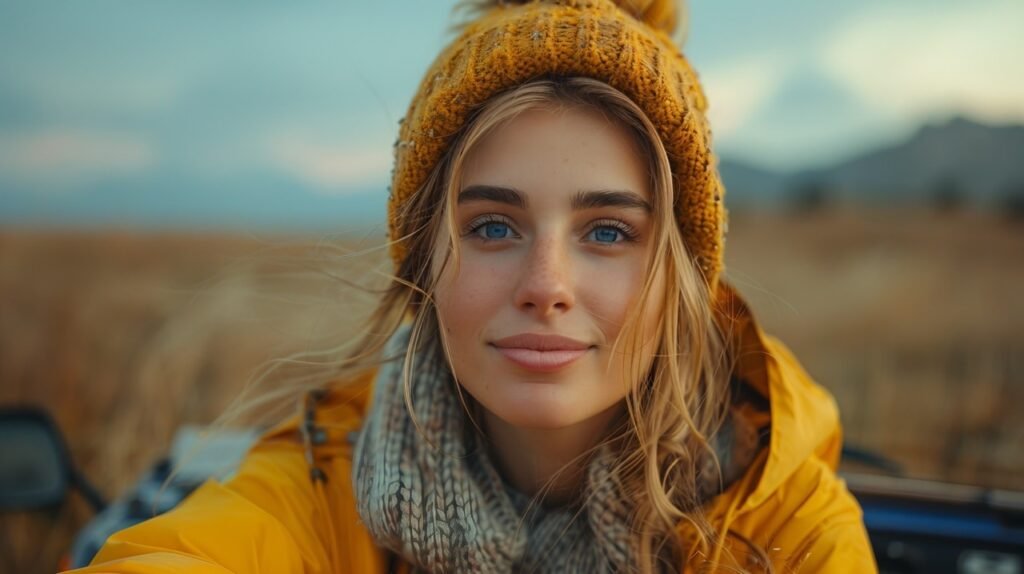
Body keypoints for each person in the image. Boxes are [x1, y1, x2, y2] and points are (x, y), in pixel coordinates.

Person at [65, 0, 877, 572]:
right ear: (423, 263)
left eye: (607, 232)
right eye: (492, 226)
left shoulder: (788, 533)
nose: (546, 285)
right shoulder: (320, 489)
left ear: (680, 279)